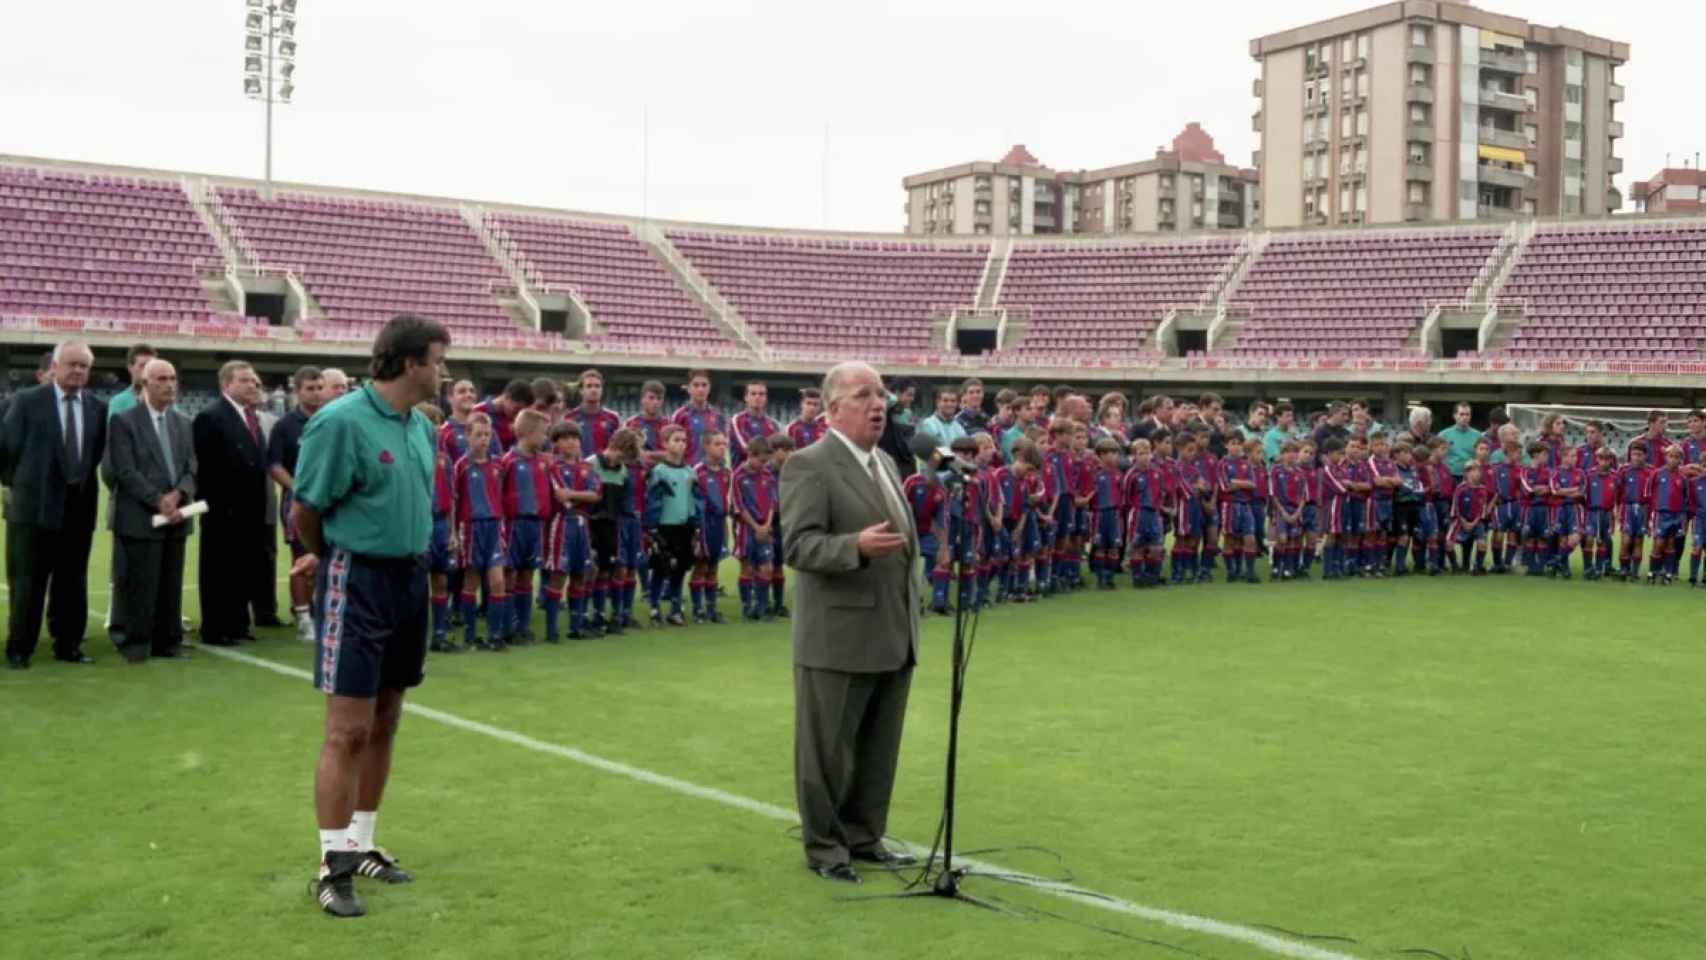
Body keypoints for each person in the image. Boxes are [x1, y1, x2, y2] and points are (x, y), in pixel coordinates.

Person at [291, 313, 448, 918]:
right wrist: (326, 558)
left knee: (386, 719)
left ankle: (361, 844)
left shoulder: (421, 426)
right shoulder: (339, 422)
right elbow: (307, 509)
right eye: (438, 360)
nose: (444, 372)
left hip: (409, 579)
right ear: (410, 362)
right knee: (347, 729)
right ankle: (332, 867)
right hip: (357, 580)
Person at [779, 360, 919, 884]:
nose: (878, 403)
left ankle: (864, 836)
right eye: (864, 394)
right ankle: (825, 848)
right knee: (827, 751)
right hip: (837, 636)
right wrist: (853, 548)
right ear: (834, 408)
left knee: (878, 748)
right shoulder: (808, 464)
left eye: (881, 393)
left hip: (893, 630)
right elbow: (797, 544)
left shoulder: (885, 462)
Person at [1, 341, 107, 668]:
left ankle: (68, 645)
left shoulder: (96, 407)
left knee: (72, 582)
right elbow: (6, 450)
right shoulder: (26, 401)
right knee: (28, 584)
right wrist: (24, 486)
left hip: (78, 510)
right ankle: (20, 648)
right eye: (72, 364)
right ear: (55, 367)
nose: (77, 371)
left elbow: (93, 457)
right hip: (32, 510)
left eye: (84, 366)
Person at [103, 358, 196, 663]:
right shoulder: (124, 421)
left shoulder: (183, 422)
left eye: (172, 378)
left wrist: (179, 493)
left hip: (176, 516)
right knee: (138, 584)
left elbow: (191, 466)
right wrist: (158, 499)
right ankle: (135, 644)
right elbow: (125, 471)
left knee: (171, 583)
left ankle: (168, 642)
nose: (169, 384)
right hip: (140, 518)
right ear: (144, 384)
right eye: (161, 379)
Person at [193, 360, 271, 647]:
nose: (253, 385)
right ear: (227, 385)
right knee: (218, 571)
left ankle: (237, 623)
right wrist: (216, 504)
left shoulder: (251, 417)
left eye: (254, 381)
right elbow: (205, 468)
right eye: (245, 381)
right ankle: (215, 628)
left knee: (244, 568)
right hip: (222, 511)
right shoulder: (211, 417)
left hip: (251, 510)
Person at [270, 365, 327, 644]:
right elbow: (274, 465)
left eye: (320, 388)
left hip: (329, 500)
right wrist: (298, 488)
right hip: (299, 501)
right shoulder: (286, 426)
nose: (316, 394)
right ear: (297, 391)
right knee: (301, 558)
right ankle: (304, 617)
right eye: (310, 389)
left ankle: (321, 611)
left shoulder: (332, 420)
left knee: (325, 555)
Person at [454, 414, 511, 651]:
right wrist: (454, 532)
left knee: (498, 582)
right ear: (467, 435)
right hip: (471, 527)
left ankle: (495, 635)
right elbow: (455, 500)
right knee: (472, 580)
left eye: (487, 434)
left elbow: (503, 496)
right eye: (478, 434)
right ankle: (470, 634)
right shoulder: (461, 466)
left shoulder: (499, 464)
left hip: (494, 526)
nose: (484, 439)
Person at [543, 422, 600, 642]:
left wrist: (574, 494)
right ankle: (551, 629)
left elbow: (596, 494)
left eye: (575, 438)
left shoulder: (587, 467)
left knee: (580, 573)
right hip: (562, 522)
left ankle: (575, 626)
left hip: (582, 524)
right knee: (559, 573)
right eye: (566, 438)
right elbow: (560, 497)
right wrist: (580, 495)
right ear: (556, 443)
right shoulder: (553, 467)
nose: (572, 442)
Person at [500, 410, 553, 644]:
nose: (545, 437)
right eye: (543, 432)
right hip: (514, 524)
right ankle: (508, 626)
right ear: (529, 432)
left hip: (537, 524)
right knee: (509, 574)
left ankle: (523, 625)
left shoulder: (544, 461)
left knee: (527, 575)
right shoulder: (508, 461)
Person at [644, 425, 701, 626]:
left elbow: (695, 500)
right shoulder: (659, 472)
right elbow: (652, 501)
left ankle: (675, 610)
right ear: (665, 443)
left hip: (684, 527)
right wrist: (652, 528)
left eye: (684, 440)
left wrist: (696, 526)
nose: (681, 444)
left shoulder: (690, 472)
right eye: (676, 440)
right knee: (661, 568)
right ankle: (653, 608)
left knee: (680, 569)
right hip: (664, 527)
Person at [733, 434, 779, 621]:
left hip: (764, 526)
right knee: (748, 567)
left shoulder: (768, 475)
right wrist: (755, 526)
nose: (764, 465)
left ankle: (761, 607)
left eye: (766, 461)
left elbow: (772, 503)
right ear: (750, 455)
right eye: (761, 461)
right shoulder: (738, 476)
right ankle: (746, 608)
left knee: (767, 567)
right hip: (746, 527)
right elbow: (738, 505)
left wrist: (766, 525)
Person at [691, 431, 734, 623]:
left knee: (714, 565)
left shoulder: (726, 473)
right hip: (703, 522)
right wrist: (695, 531)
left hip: (719, 522)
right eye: (718, 444)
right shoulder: (697, 471)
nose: (722, 448)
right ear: (706, 446)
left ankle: (711, 609)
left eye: (724, 444)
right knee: (701, 565)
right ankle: (697, 609)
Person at [1648, 444, 1689, 584]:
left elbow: (1685, 500)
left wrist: (1683, 521)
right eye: (1670, 456)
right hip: (1660, 514)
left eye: (1676, 457)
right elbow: (1648, 494)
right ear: (1666, 457)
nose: (1673, 459)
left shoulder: (1683, 478)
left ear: (1681, 460)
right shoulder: (1657, 473)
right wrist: (1650, 514)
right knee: (1658, 543)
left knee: (1671, 544)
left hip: (1676, 515)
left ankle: (1668, 573)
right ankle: (1652, 571)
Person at [1616, 441, 1654, 581]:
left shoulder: (1651, 472)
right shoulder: (1623, 470)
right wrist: (1617, 509)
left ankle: (1635, 572)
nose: (1636, 457)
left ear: (1645, 455)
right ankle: (1623, 570)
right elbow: (1618, 492)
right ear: (1630, 455)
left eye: (1639, 454)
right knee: (1625, 540)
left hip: (1643, 509)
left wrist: (1651, 515)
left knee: (1638, 541)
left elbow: (1653, 495)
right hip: (1627, 508)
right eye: (1634, 454)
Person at [672, 369, 726, 465]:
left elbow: (722, 448)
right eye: (696, 385)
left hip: (713, 473)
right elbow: (672, 448)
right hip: (688, 472)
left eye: (704, 385)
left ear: (709, 388)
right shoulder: (680, 415)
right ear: (688, 388)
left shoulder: (718, 416)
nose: (700, 389)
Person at [1583, 448, 1620, 580]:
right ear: (1597, 459)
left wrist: (1618, 511)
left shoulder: (1615, 476)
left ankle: (1599, 569)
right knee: (1588, 539)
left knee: (1603, 541)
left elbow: (1619, 496)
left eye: (1607, 459)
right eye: (1601, 458)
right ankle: (1588, 568)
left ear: (1611, 460)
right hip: (1591, 512)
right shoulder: (1588, 475)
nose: (1604, 462)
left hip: (1607, 513)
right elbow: (1583, 495)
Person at [1449, 461, 1492, 574]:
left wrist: (1474, 522)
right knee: (1448, 543)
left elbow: (1482, 508)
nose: (1476, 473)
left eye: (1478, 470)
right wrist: (1463, 521)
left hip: (1476, 522)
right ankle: (1455, 566)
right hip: (1460, 521)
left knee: (1482, 544)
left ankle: (1478, 566)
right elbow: (1455, 507)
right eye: (1472, 471)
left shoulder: (1483, 489)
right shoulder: (1460, 488)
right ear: (1466, 473)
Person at [567, 369, 623, 457]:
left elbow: (620, 448)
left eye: (597, 386)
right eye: (589, 386)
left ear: (602, 390)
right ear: (581, 390)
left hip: (604, 469)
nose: (594, 390)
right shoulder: (569, 418)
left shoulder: (613, 418)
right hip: (578, 469)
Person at [474, 379, 534, 452]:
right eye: (517, 409)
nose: (518, 415)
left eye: (522, 411)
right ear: (506, 397)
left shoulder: (517, 419)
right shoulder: (477, 411)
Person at [730, 379, 780, 466]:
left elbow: (777, 451)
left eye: (761, 394)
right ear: (746, 397)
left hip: (767, 475)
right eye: (753, 394)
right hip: (743, 474)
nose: (757, 397)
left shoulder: (773, 424)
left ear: (766, 398)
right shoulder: (737, 420)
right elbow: (746, 449)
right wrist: (768, 454)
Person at [625, 379, 672, 464]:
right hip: (638, 473)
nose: (655, 402)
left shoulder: (669, 424)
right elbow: (627, 454)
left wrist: (648, 455)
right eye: (651, 398)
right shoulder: (631, 423)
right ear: (642, 399)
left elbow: (672, 455)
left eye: (659, 398)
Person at [1438, 402, 1481, 478]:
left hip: (1470, 477)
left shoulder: (1478, 435)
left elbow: (1481, 458)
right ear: (1454, 416)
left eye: (1467, 414)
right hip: (1449, 476)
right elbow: (1437, 457)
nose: (1464, 417)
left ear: (1470, 416)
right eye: (1461, 414)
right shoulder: (1443, 435)